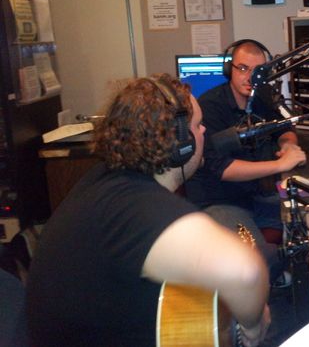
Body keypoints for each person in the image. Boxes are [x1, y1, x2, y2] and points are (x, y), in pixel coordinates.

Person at [26, 74, 270, 347]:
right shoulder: (133, 205)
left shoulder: (106, 179)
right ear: (180, 143)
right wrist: (253, 325)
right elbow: (244, 272)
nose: (204, 131)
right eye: (198, 125)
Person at [186, 39, 306, 280]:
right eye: (243, 68)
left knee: (306, 223)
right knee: (252, 264)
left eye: (258, 71)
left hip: (257, 196)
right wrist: (280, 165)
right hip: (220, 201)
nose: (250, 77)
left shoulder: (263, 99)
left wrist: (287, 145)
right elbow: (222, 169)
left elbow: (285, 127)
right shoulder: (210, 107)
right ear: (229, 69)